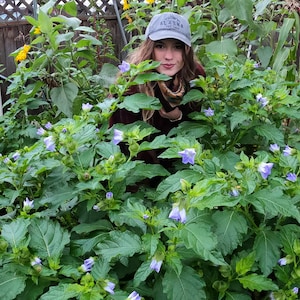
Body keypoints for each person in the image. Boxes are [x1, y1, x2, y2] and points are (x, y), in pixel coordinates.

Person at [110, 12, 206, 166]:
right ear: (150, 48)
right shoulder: (131, 83)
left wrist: (178, 116)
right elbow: (121, 139)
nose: (168, 56)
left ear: (186, 50)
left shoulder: (194, 75)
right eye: (160, 46)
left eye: (177, 47)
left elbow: (194, 123)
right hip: (135, 167)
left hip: (178, 164)